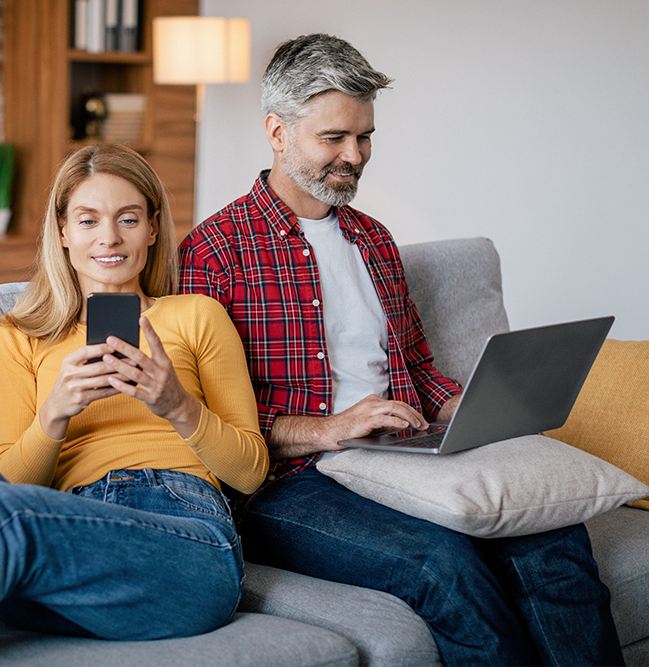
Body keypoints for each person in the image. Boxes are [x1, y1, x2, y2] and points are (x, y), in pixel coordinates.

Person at [178, 33, 623, 666]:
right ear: (277, 131)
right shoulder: (214, 251)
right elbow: (206, 425)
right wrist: (335, 427)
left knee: (554, 540)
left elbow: (416, 366)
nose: (354, 156)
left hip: (400, 456)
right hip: (286, 484)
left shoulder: (374, 240)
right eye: (334, 138)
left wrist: (470, 407)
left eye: (365, 137)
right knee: (446, 566)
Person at [0, 143, 268, 667]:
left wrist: (177, 404)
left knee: (2, 513)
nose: (109, 237)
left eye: (128, 218)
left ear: (154, 228)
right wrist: (54, 414)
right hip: (60, 539)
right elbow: (15, 487)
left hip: (186, 547)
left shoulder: (196, 316)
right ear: (64, 232)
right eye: (88, 220)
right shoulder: (19, 338)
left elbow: (250, 473)